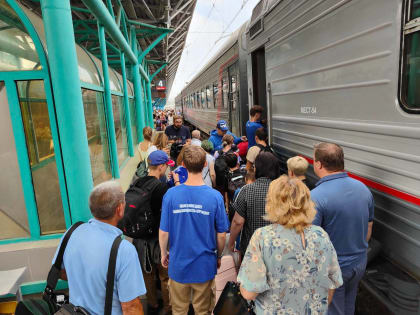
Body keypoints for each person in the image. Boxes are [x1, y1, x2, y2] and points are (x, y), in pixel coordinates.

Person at [238, 175, 343, 314]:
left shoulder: (263, 237)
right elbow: (333, 282)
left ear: (272, 203)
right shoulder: (321, 235)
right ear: (306, 202)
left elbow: (249, 293)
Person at [52, 181, 146, 315]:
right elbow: (131, 307)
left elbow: (60, 271)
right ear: (119, 209)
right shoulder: (124, 250)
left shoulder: (72, 232)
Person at [159, 145, 229, 315]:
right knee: (203, 311)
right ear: (205, 164)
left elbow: (164, 232)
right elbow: (221, 235)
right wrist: (218, 256)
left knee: (179, 310)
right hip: (204, 266)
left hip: (178, 265)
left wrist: (163, 253)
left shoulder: (171, 195)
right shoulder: (215, 197)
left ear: (183, 164)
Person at [310, 142, 374, 315]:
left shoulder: (315, 196)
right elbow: (369, 226)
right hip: (359, 263)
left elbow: (311, 241)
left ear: (319, 164)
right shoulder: (363, 189)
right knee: (348, 304)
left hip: (334, 268)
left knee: (333, 309)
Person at [132, 151, 174, 315]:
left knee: (147, 273)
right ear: (162, 166)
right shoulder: (162, 187)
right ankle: (168, 307)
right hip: (158, 237)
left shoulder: (137, 182)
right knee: (164, 275)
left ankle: (152, 303)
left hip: (140, 238)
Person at [228, 152, 281, 255]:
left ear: (257, 169)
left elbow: (237, 222)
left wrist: (231, 243)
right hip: (276, 248)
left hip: (251, 248)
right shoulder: (282, 191)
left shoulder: (246, 190)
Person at [224, 153, 247, 222]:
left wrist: (227, 207)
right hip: (245, 202)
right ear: (237, 161)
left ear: (227, 164)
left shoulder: (227, 176)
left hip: (233, 205)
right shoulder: (244, 172)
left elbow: (226, 192)